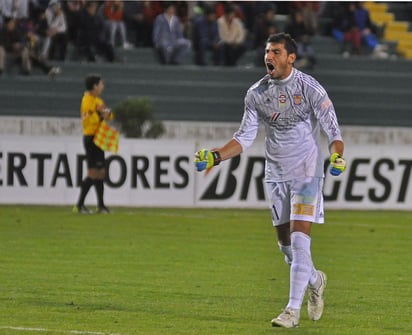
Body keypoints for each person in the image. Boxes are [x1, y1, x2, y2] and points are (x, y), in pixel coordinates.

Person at [194, 32, 346, 328]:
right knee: (287, 250)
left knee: (301, 241)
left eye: (276, 52)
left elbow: (333, 130)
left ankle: (291, 310)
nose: (269, 57)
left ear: (291, 57)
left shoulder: (310, 88)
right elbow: (244, 137)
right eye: (267, 52)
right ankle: (316, 279)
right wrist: (216, 156)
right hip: (275, 174)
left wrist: (337, 155)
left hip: (306, 172)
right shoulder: (256, 93)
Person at [73, 74, 113, 214]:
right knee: (93, 172)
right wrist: (101, 114)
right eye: (101, 84)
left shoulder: (97, 100)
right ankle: (79, 205)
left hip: (99, 137)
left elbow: (109, 115)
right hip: (91, 138)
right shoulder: (87, 101)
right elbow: (90, 120)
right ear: (95, 86)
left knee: (101, 172)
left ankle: (101, 205)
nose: (103, 86)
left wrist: (104, 114)